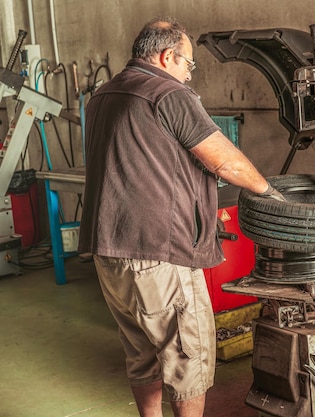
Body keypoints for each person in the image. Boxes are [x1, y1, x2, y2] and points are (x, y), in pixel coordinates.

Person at [78, 17, 284, 417]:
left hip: (110, 252)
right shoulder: (168, 94)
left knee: (143, 353)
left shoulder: (105, 94)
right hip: (160, 255)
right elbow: (225, 161)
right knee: (188, 357)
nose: (189, 76)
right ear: (167, 56)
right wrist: (273, 195)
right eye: (188, 65)